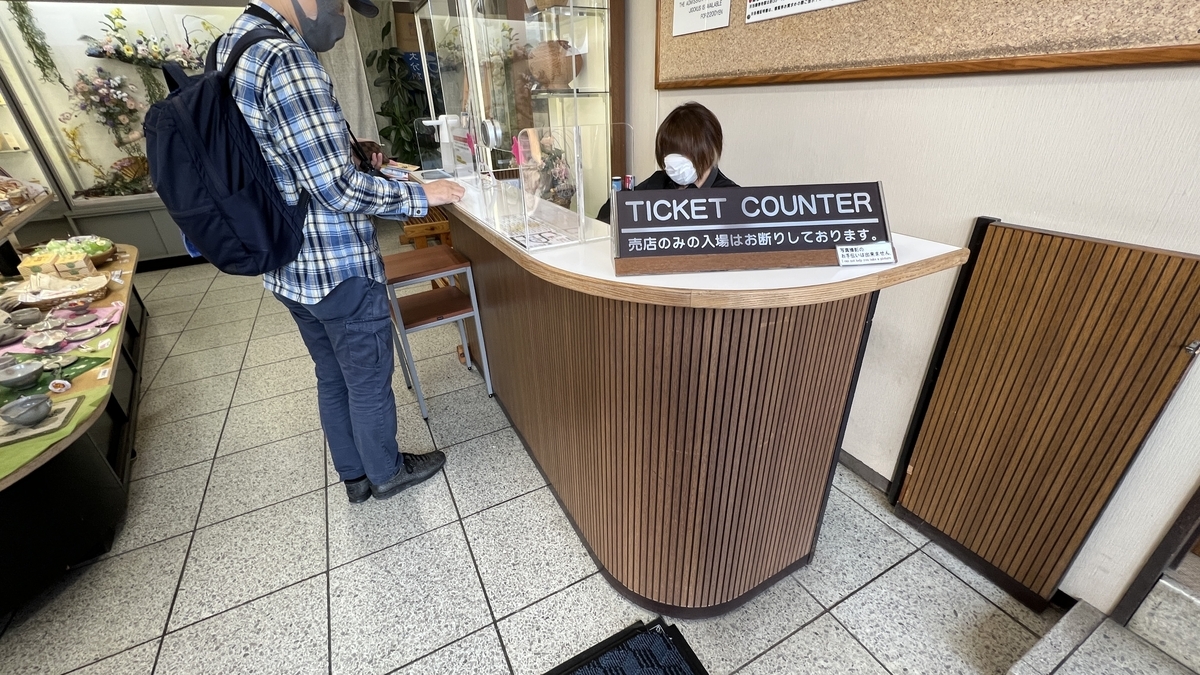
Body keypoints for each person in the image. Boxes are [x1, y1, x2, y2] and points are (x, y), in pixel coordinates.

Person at [216, 0, 466, 503]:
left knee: (332, 375)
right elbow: (336, 189)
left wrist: (354, 150)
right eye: (341, 5)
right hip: (335, 266)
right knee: (369, 378)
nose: (342, 17)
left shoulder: (233, 45)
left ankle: (354, 476)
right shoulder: (285, 58)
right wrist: (422, 195)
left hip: (287, 264)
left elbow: (282, 157)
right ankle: (387, 472)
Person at [596, 102, 738, 223]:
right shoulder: (658, 183)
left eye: (684, 151)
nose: (674, 160)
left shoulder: (732, 198)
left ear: (710, 150)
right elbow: (607, 217)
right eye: (669, 152)